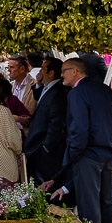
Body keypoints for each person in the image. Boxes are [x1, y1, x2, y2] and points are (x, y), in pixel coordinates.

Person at [45, 54, 112, 223]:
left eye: (63, 71)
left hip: (88, 153)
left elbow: (78, 129)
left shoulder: (77, 93)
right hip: (106, 151)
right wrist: (110, 143)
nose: (61, 76)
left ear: (74, 72)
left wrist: (74, 155)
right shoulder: (103, 89)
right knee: (108, 202)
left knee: (90, 207)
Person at [22, 56, 69, 186]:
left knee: (46, 180)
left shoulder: (58, 91)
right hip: (38, 143)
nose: (39, 72)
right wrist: (38, 83)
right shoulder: (48, 87)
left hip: (45, 146)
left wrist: (47, 146)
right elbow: (40, 96)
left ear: (51, 73)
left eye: (43, 69)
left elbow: (57, 122)